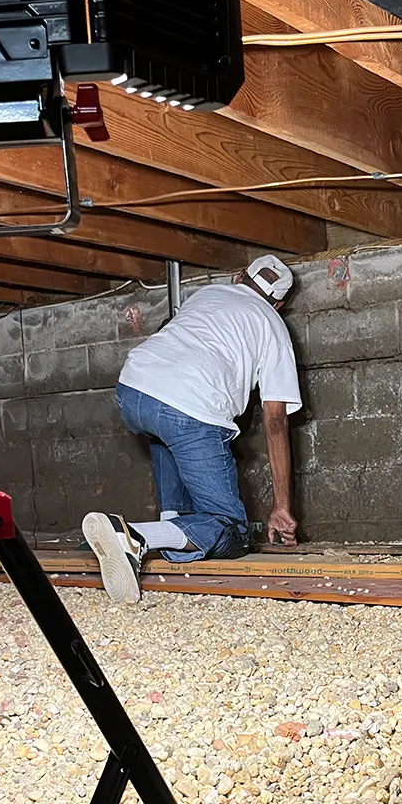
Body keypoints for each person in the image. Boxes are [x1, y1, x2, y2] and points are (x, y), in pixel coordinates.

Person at [82, 255, 303, 604]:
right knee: (232, 530)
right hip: (189, 408)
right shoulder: (272, 323)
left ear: (238, 277)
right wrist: (281, 505)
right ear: (278, 302)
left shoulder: (204, 295)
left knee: (165, 429)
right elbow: (275, 420)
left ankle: (170, 533)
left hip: (133, 389)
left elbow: (170, 348)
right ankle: (133, 537)